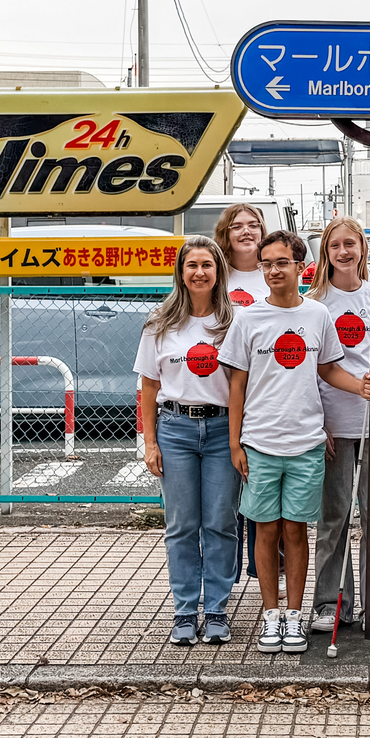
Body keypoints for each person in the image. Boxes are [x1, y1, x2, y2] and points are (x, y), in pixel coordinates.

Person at [218, 230, 370, 655]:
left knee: (297, 531)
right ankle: (270, 616)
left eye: (281, 263)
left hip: (307, 443)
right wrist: (236, 443)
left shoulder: (317, 315)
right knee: (265, 531)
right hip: (259, 443)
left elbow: (329, 370)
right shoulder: (248, 318)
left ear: (299, 266)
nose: (273, 270)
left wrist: (360, 386)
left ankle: (294, 616)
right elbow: (237, 385)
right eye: (266, 263)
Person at [133, 235, 240, 647]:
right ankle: (184, 611)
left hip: (221, 430)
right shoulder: (160, 321)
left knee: (220, 522)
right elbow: (148, 385)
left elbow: (240, 385)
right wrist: (151, 442)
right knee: (181, 525)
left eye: (207, 265)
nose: (199, 272)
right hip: (175, 429)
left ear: (218, 272)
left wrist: (238, 438)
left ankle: (215, 609)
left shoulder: (233, 322)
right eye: (191, 265)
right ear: (180, 271)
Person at [304, 217, 370, 632]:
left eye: (351, 244)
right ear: (324, 252)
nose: (343, 252)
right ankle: (332, 603)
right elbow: (307, 369)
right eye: (334, 245)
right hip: (333, 424)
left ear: (363, 249)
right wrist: (317, 422)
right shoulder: (314, 303)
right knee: (334, 520)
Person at [213, 203, 277, 592]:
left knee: (262, 489)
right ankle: (225, 576)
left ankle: (265, 570)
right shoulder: (216, 275)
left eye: (254, 225)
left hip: (265, 398)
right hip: (219, 394)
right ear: (226, 233)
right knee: (225, 497)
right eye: (237, 226)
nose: (247, 232)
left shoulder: (273, 272)